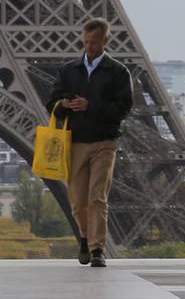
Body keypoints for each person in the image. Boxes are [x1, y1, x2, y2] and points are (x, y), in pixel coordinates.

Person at [46, 18, 135, 267]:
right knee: (77, 201)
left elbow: (123, 109)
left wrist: (90, 106)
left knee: (97, 197)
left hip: (104, 142)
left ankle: (97, 249)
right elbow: (51, 103)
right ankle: (85, 237)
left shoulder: (118, 72)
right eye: (85, 42)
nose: (89, 47)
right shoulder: (69, 71)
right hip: (74, 142)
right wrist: (63, 104)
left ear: (106, 41)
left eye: (94, 43)